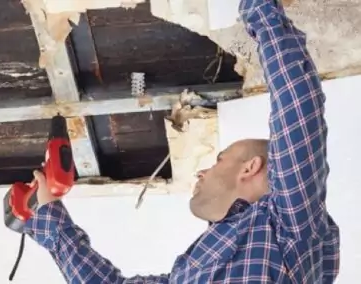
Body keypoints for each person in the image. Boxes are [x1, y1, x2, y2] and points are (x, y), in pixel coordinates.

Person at [22, 0, 340, 282]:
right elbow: (296, 105)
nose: (201, 173)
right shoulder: (195, 269)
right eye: (220, 159)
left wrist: (50, 219)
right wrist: (259, 7)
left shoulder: (292, 226)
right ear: (250, 167)